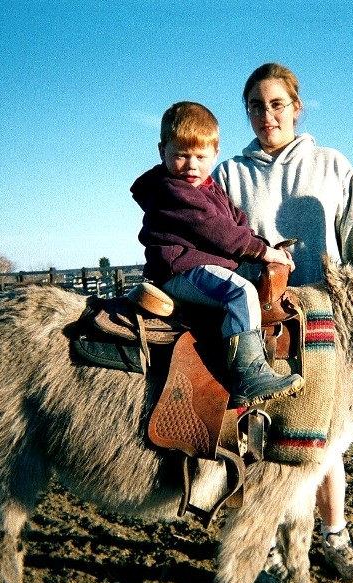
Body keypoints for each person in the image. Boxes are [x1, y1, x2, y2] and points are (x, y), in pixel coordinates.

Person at [214, 63, 353, 583]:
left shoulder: (332, 166)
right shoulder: (228, 174)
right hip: (258, 326)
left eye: (277, 104)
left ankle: (334, 534)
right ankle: (262, 551)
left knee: (323, 444)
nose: (267, 116)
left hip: (327, 329)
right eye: (256, 106)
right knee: (255, 442)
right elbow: (212, 246)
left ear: (296, 107)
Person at [130, 101, 304, 407]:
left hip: (197, 269)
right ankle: (249, 374)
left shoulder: (211, 190)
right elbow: (216, 230)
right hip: (179, 270)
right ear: (162, 152)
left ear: (215, 154)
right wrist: (262, 253)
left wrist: (266, 246)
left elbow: (237, 224)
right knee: (240, 292)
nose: (191, 165)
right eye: (181, 155)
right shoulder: (174, 191)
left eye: (200, 156)